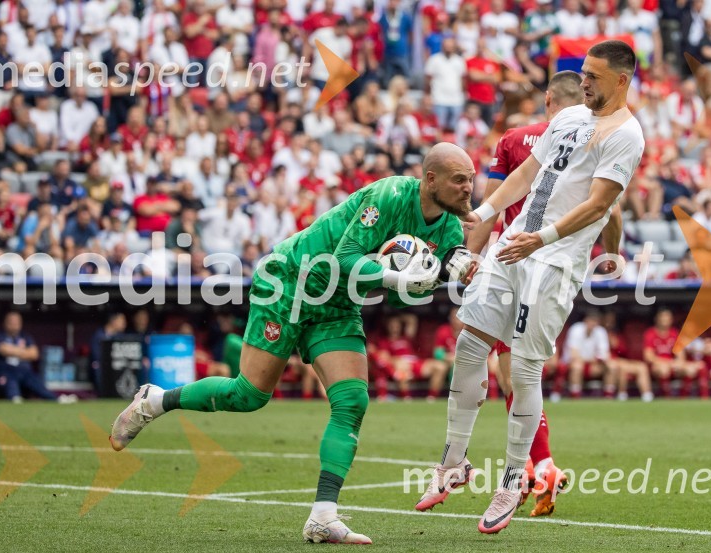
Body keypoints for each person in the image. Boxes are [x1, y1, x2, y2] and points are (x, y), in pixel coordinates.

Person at [109, 142, 477, 544]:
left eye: (471, 180)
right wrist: (401, 277)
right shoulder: (387, 195)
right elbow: (345, 258)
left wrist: (442, 274)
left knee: (352, 401)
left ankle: (322, 516)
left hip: (337, 302)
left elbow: (400, 296)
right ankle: (155, 401)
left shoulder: (451, 230)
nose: (468, 188)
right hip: (289, 281)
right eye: (460, 179)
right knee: (249, 394)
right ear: (430, 180)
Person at [417, 40, 644, 534]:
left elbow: (602, 204)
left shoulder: (628, 135)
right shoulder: (567, 119)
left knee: (523, 368)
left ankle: (515, 478)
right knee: (470, 344)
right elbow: (526, 173)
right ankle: (454, 461)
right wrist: (484, 212)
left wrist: (539, 238)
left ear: (621, 81)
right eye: (582, 73)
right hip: (512, 248)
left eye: (594, 76)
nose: (583, 81)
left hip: (554, 261)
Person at [460, 69, 586, 518]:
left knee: (508, 371)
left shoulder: (515, 138)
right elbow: (607, 206)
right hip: (559, 262)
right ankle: (538, 465)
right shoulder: (595, 137)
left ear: (548, 97)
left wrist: (469, 260)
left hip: (514, 259)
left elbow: (491, 206)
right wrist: (610, 253)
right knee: (522, 369)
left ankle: (540, 466)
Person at [0, 311, 76, 403]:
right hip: (6, 371)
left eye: (16, 322)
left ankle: (55, 399)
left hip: (24, 371)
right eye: (11, 322)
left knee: (35, 381)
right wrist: (24, 351)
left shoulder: (25, 336)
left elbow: (34, 354)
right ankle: (15, 398)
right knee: (10, 379)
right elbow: (3, 349)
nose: (14, 324)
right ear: (5, 323)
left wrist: (13, 350)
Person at [643, 308, 707, 398]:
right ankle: (667, 398)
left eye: (667, 318)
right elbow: (649, 357)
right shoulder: (650, 333)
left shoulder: (674, 333)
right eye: (662, 318)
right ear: (657, 319)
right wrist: (667, 363)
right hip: (658, 365)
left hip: (672, 365)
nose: (664, 321)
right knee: (663, 369)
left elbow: (680, 354)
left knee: (690, 369)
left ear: (671, 320)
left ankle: (683, 399)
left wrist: (679, 362)